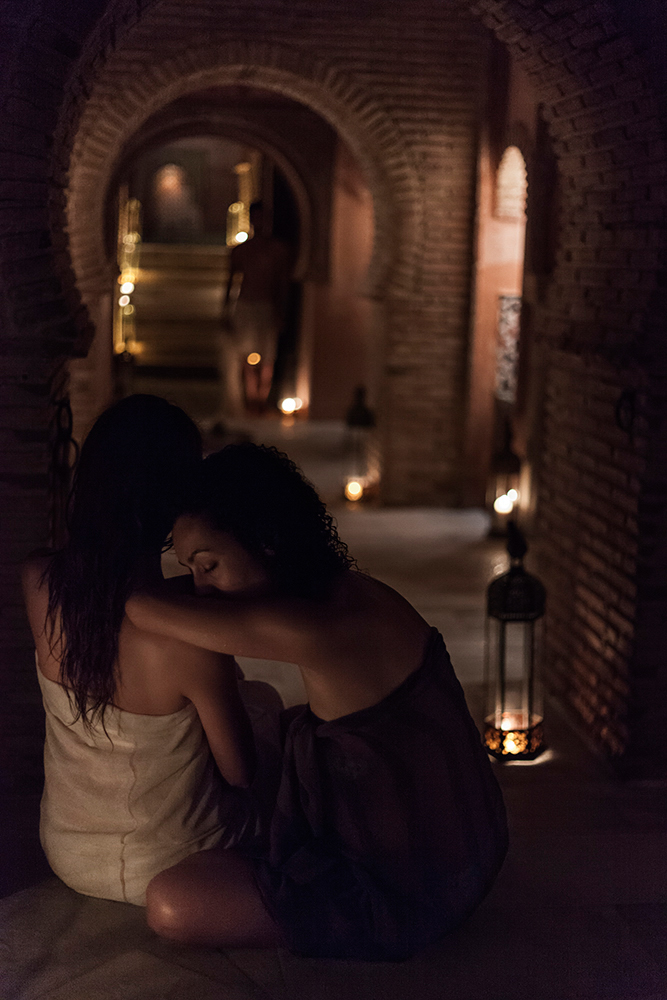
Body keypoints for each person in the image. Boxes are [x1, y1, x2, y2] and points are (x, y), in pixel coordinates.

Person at [126, 443, 509, 960]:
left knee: (170, 901)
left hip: (410, 896)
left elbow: (143, 609)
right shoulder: (354, 590)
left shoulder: (312, 629)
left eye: (209, 566)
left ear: (267, 541)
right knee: (274, 723)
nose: (201, 587)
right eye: (193, 570)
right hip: (472, 854)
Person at [22, 396, 281, 907]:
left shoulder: (36, 581)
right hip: (178, 861)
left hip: (67, 852)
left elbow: (112, 615)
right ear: (175, 497)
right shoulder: (190, 637)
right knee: (271, 710)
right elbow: (241, 774)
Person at [219, 202, 292, 416]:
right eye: (256, 218)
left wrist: (281, 311)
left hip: (267, 307)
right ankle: (251, 399)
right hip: (245, 307)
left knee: (267, 357)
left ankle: (262, 399)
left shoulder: (278, 251)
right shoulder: (241, 250)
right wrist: (225, 311)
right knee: (248, 356)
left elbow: (282, 285)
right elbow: (230, 282)